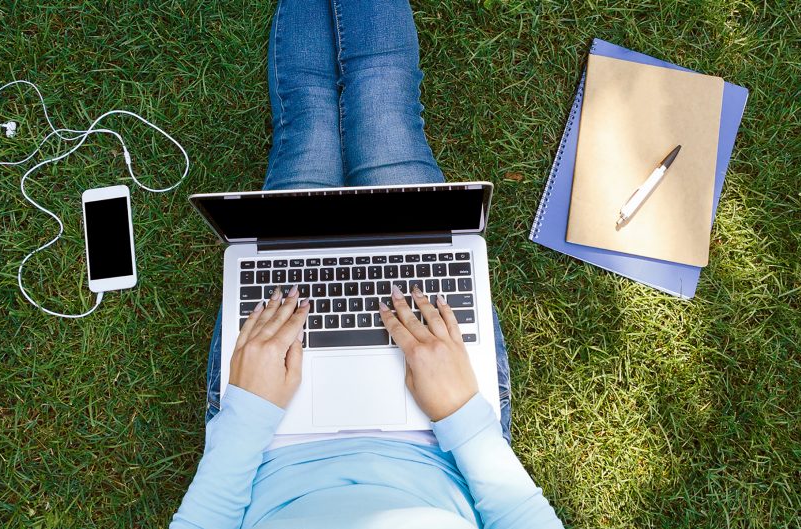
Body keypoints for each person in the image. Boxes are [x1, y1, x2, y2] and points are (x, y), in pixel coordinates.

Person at [170, 1, 564, 527]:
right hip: (443, 439)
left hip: (264, 446)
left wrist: (246, 418)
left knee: (306, 135)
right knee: (387, 113)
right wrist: (463, 416)